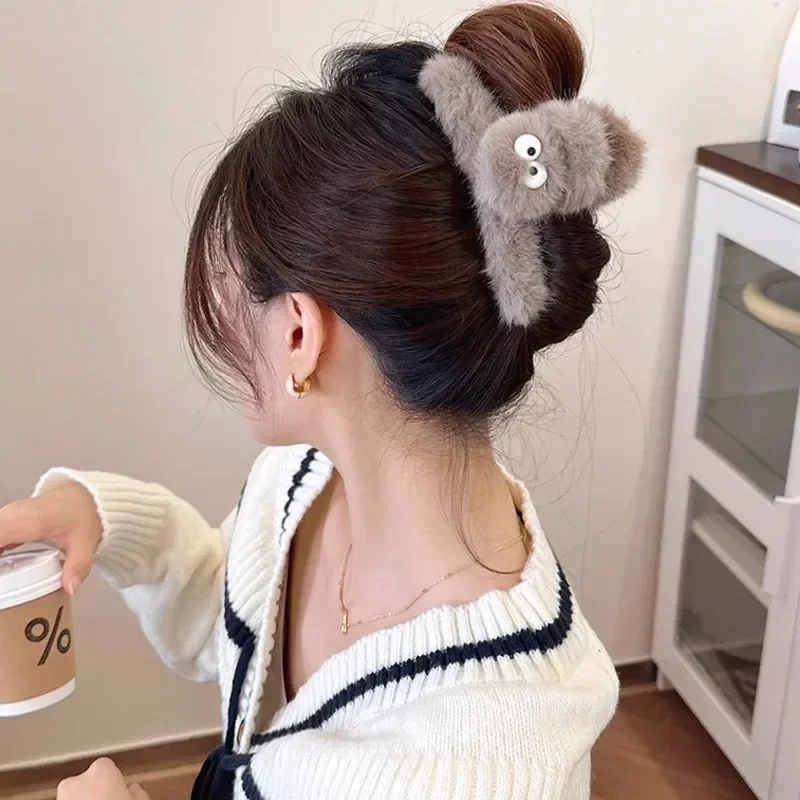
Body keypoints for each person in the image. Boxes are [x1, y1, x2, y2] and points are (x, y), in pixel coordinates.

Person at [0, 3, 644, 798]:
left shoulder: (482, 770)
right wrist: (105, 518)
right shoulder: (303, 478)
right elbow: (231, 612)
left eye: (235, 288)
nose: (225, 318)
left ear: (301, 334)